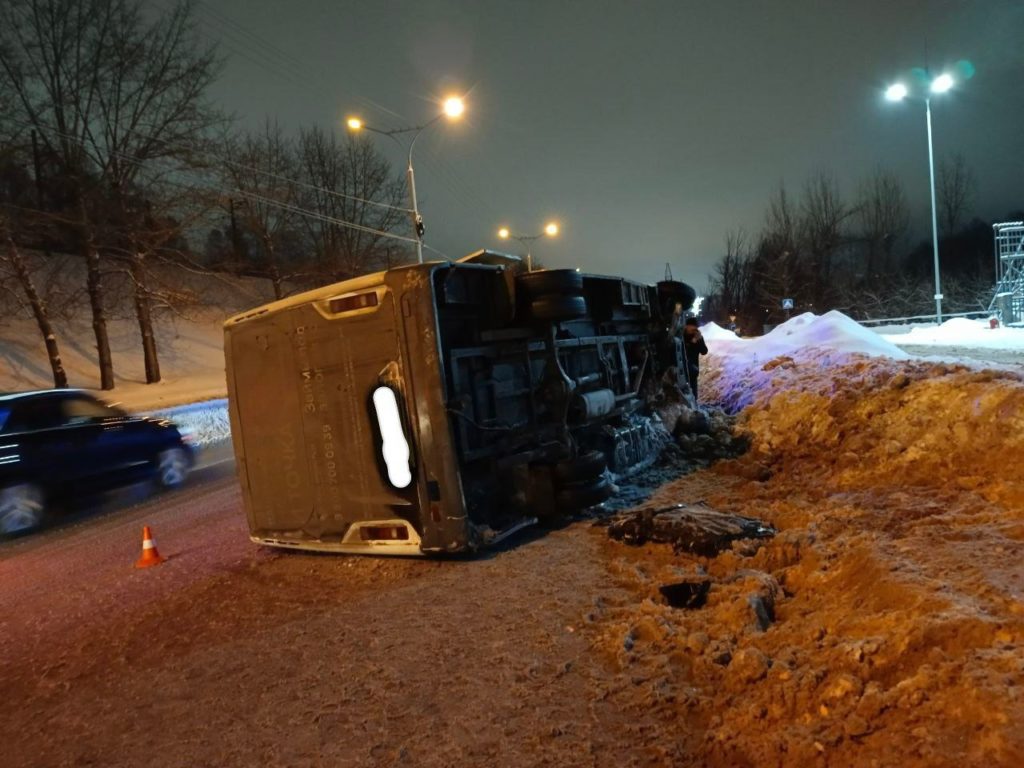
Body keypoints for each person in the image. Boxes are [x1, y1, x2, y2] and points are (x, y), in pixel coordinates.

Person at [681, 316, 708, 401]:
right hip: (681, 370)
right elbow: (683, 350)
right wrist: (692, 342)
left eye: (695, 329)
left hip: (693, 370)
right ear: (686, 327)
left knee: (693, 395)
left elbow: (704, 351)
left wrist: (699, 340)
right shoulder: (681, 336)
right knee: (682, 395)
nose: (693, 331)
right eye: (691, 329)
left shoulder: (697, 336)